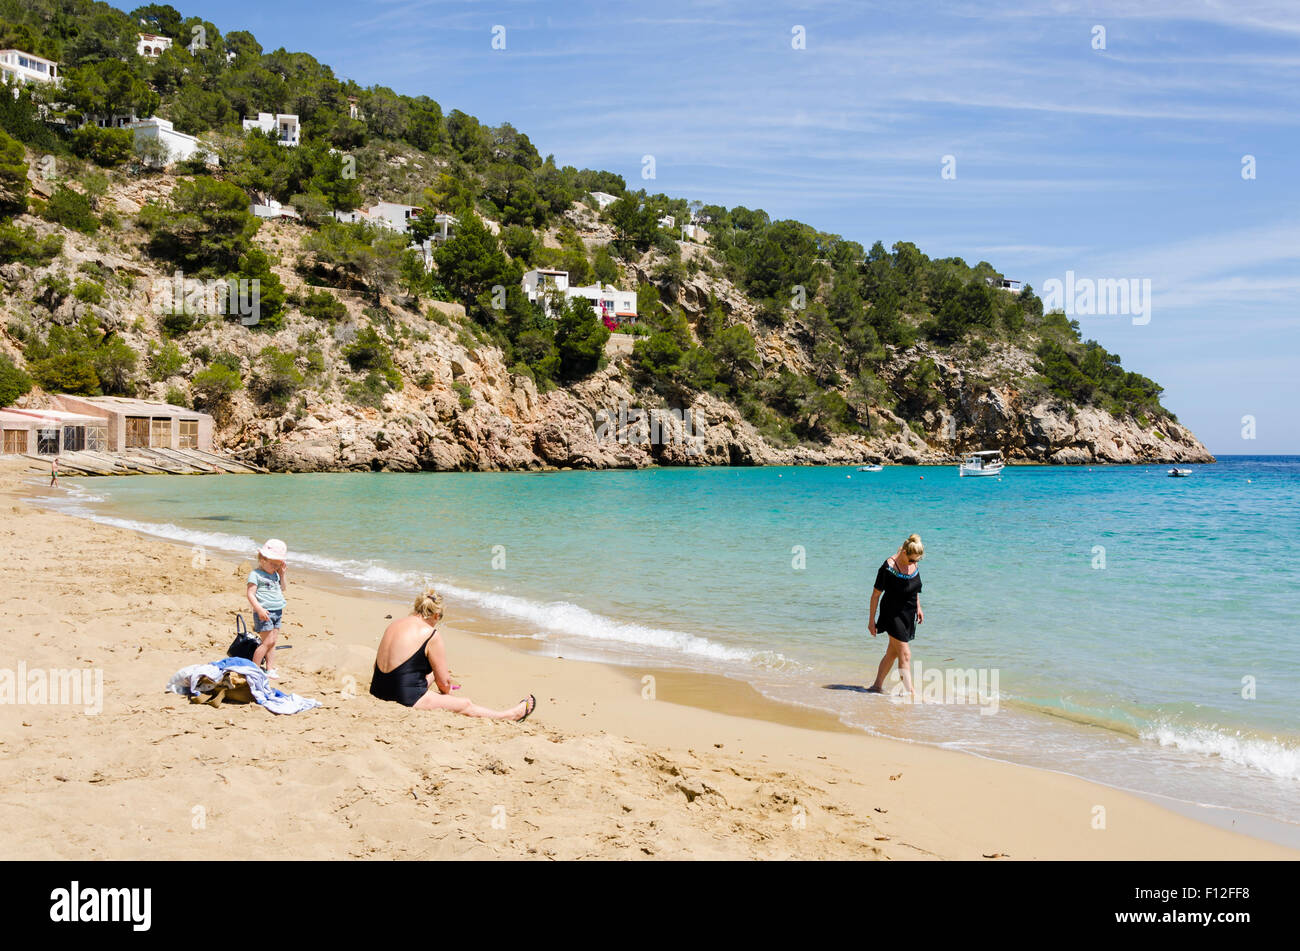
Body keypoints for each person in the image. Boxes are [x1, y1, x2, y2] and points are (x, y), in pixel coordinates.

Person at [371, 588, 536, 721]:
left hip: (378, 688)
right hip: (403, 697)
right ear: (436, 615)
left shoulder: (394, 625)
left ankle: (427, 688)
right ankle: (509, 715)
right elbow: (444, 684)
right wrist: (447, 695)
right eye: (440, 617)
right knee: (465, 704)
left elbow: (382, 665)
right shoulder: (430, 634)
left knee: (431, 674)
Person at [867, 534, 925, 699]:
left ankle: (876, 686)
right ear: (905, 552)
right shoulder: (888, 568)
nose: (914, 563)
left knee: (892, 652)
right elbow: (875, 595)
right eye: (912, 560)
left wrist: (918, 607)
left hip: (908, 613)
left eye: (917, 561)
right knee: (905, 654)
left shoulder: (912, 563)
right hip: (891, 614)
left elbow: (915, 588)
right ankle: (910, 693)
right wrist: (871, 621)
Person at [247, 539, 288, 676]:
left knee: (273, 642)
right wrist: (258, 609)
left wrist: (282, 574)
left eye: (278, 565)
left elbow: (283, 588)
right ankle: (254, 668)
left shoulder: (275, 574)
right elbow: (250, 594)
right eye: (273, 564)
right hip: (264, 612)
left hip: (277, 610)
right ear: (262, 559)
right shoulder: (256, 575)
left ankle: (270, 668)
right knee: (267, 642)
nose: (275, 567)